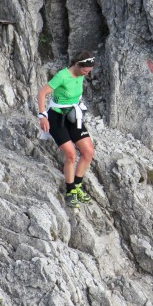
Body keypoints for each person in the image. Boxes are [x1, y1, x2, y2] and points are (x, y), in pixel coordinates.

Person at [37, 52, 96, 208]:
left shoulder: (81, 74)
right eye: (85, 70)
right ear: (77, 64)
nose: (87, 73)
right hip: (57, 119)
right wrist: (42, 116)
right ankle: (70, 192)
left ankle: (77, 186)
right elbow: (42, 93)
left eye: (89, 71)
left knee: (88, 152)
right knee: (71, 155)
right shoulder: (62, 76)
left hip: (73, 116)